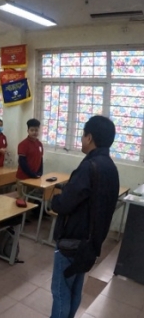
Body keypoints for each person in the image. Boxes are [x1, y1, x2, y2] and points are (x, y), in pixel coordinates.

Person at [50, 116, 119, 318]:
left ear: (89, 137)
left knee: (61, 292)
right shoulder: (110, 167)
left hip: (72, 241)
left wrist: (55, 199)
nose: (81, 140)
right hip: (91, 241)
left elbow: (65, 204)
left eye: (82, 136)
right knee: (74, 289)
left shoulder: (89, 166)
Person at [16, 119, 44, 187]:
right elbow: (22, 162)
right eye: (32, 130)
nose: (34, 132)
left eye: (36, 130)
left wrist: (40, 172)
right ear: (28, 131)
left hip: (35, 177)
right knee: (22, 197)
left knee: (32, 196)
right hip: (23, 177)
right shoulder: (23, 144)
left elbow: (41, 159)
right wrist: (31, 174)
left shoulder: (39, 144)